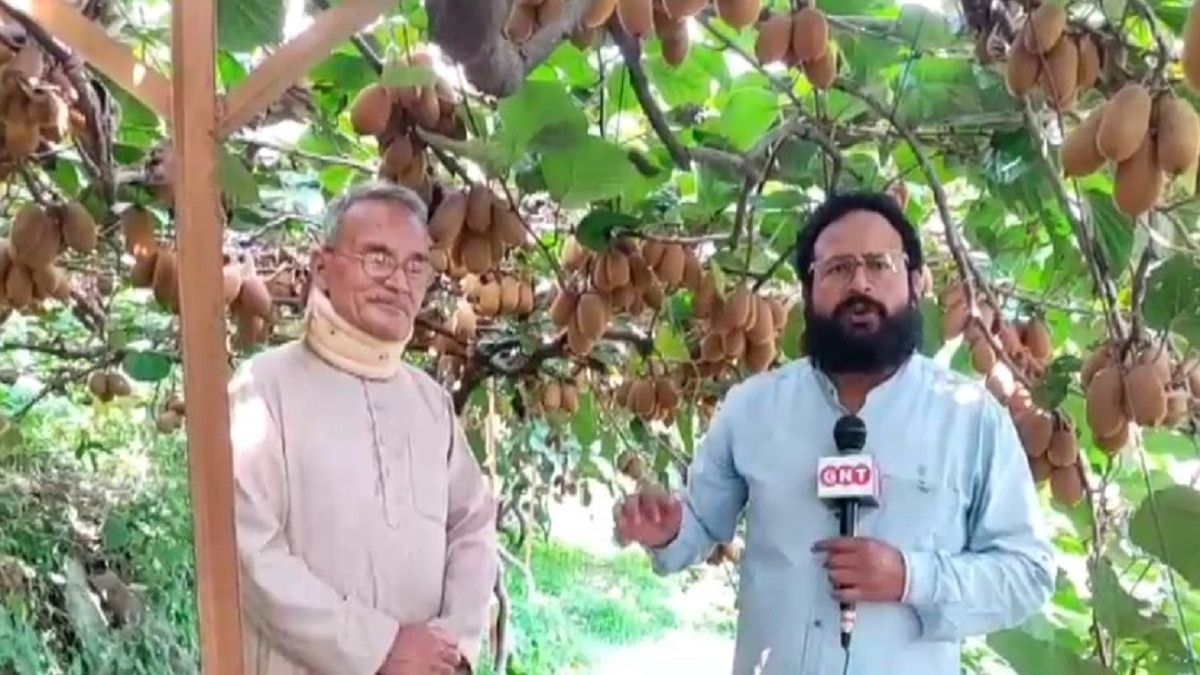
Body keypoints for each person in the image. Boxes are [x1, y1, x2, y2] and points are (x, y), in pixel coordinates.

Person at [613, 191, 1056, 674]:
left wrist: (911, 577)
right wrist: (668, 530)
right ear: (809, 289)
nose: (859, 283)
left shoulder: (971, 419)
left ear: (913, 282)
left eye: (879, 264)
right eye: (838, 268)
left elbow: (1028, 573)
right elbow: (699, 528)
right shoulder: (752, 408)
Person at [230, 181, 498, 675]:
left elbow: (473, 524)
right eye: (377, 258)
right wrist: (378, 647)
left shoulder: (430, 403)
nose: (398, 281)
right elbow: (247, 552)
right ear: (322, 268)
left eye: (415, 265)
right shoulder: (264, 387)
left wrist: (452, 645)